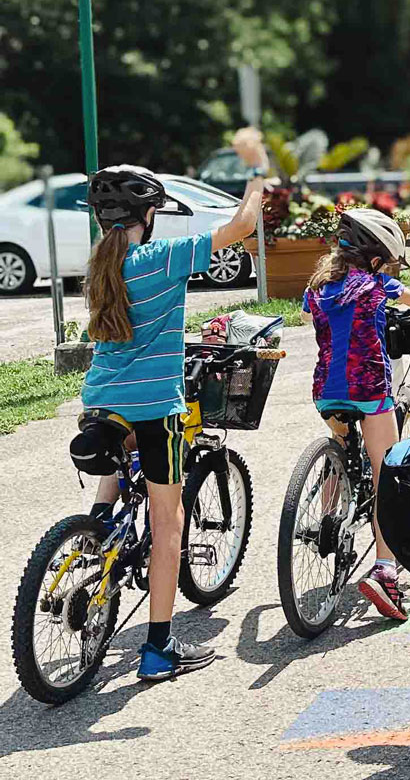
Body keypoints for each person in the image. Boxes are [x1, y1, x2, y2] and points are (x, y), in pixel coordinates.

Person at [77, 128, 269, 681]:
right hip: (154, 404)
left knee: (117, 465)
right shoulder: (160, 259)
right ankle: (158, 650)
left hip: (100, 400)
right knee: (168, 525)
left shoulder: (98, 266)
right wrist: (256, 173)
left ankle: (95, 537)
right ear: (149, 216)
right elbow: (241, 227)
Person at [303, 207, 410, 621]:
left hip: (326, 389)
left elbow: (312, 316)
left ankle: (330, 512)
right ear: (376, 257)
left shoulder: (318, 287)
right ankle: (384, 570)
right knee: (387, 476)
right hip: (369, 388)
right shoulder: (378, 283)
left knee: (343, 448)